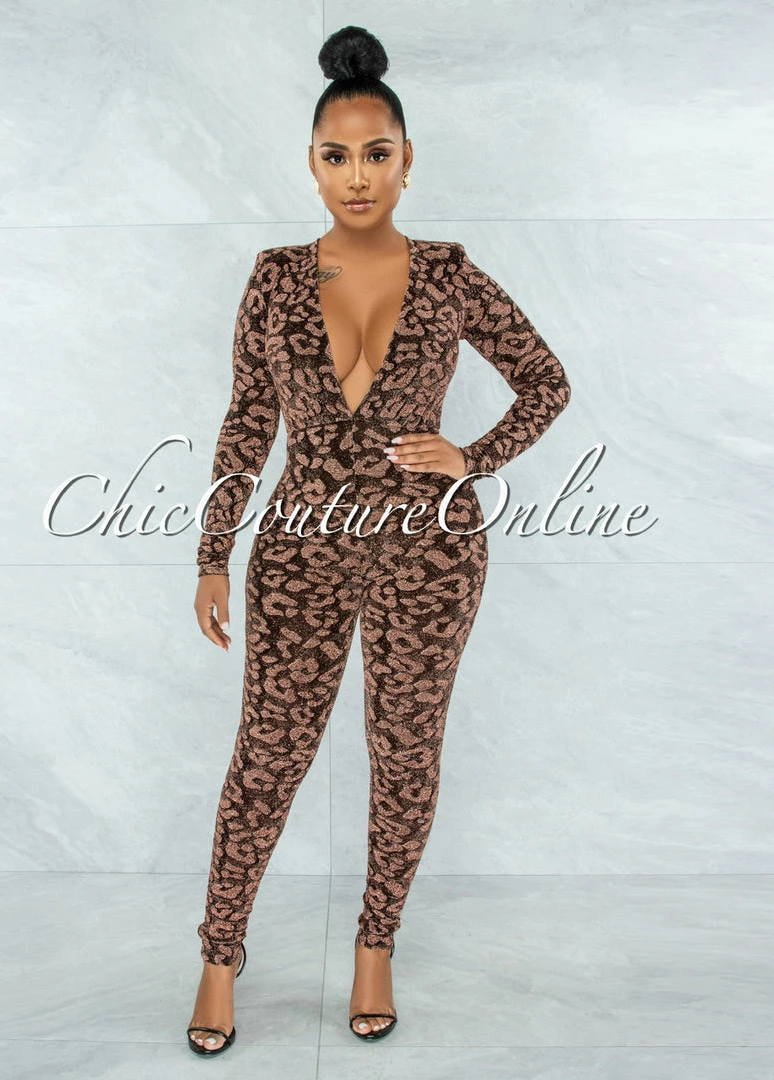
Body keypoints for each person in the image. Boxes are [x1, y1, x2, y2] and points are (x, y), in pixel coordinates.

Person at [187, 25, 572, 1056]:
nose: (357, 176)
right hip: (298, 553)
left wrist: (473, 457)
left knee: (405, 754)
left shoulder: (448, 273)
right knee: (268, 754)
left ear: (407, 162)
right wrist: (213, 552)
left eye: (376, 153)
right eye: (336, 155)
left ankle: (375, 947)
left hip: (430, 553)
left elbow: (547, 382)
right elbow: (245, 422)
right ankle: (219, 956)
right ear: (311, 166)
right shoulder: (275, 278)